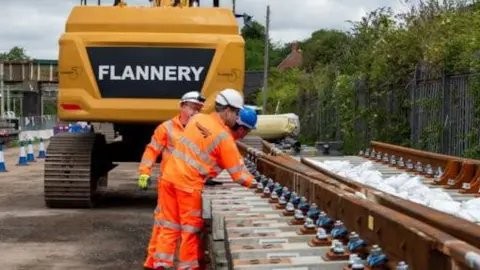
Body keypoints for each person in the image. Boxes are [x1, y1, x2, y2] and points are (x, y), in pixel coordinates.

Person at [153, 88, 256, 270]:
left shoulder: (198, 119)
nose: (237, 117)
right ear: (228, 110)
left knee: (169, 225)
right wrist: (257, 185)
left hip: (169, 178)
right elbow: (239, 176)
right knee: (190, 231)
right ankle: (187, 267)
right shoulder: (223, 137)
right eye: (237, 112)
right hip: (188, 185)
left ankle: (161, 264)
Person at [137, 91, 206, 270]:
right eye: (192, 107)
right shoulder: (167, 128)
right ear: (182, 106)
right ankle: (156, 262)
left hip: (188, 184)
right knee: (165, 223)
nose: (194, 112)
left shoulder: (201, 130)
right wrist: (145, 172)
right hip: (169, 184)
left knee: (188, 227)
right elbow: (152, 150)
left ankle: (179, 263)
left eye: (198, 109)